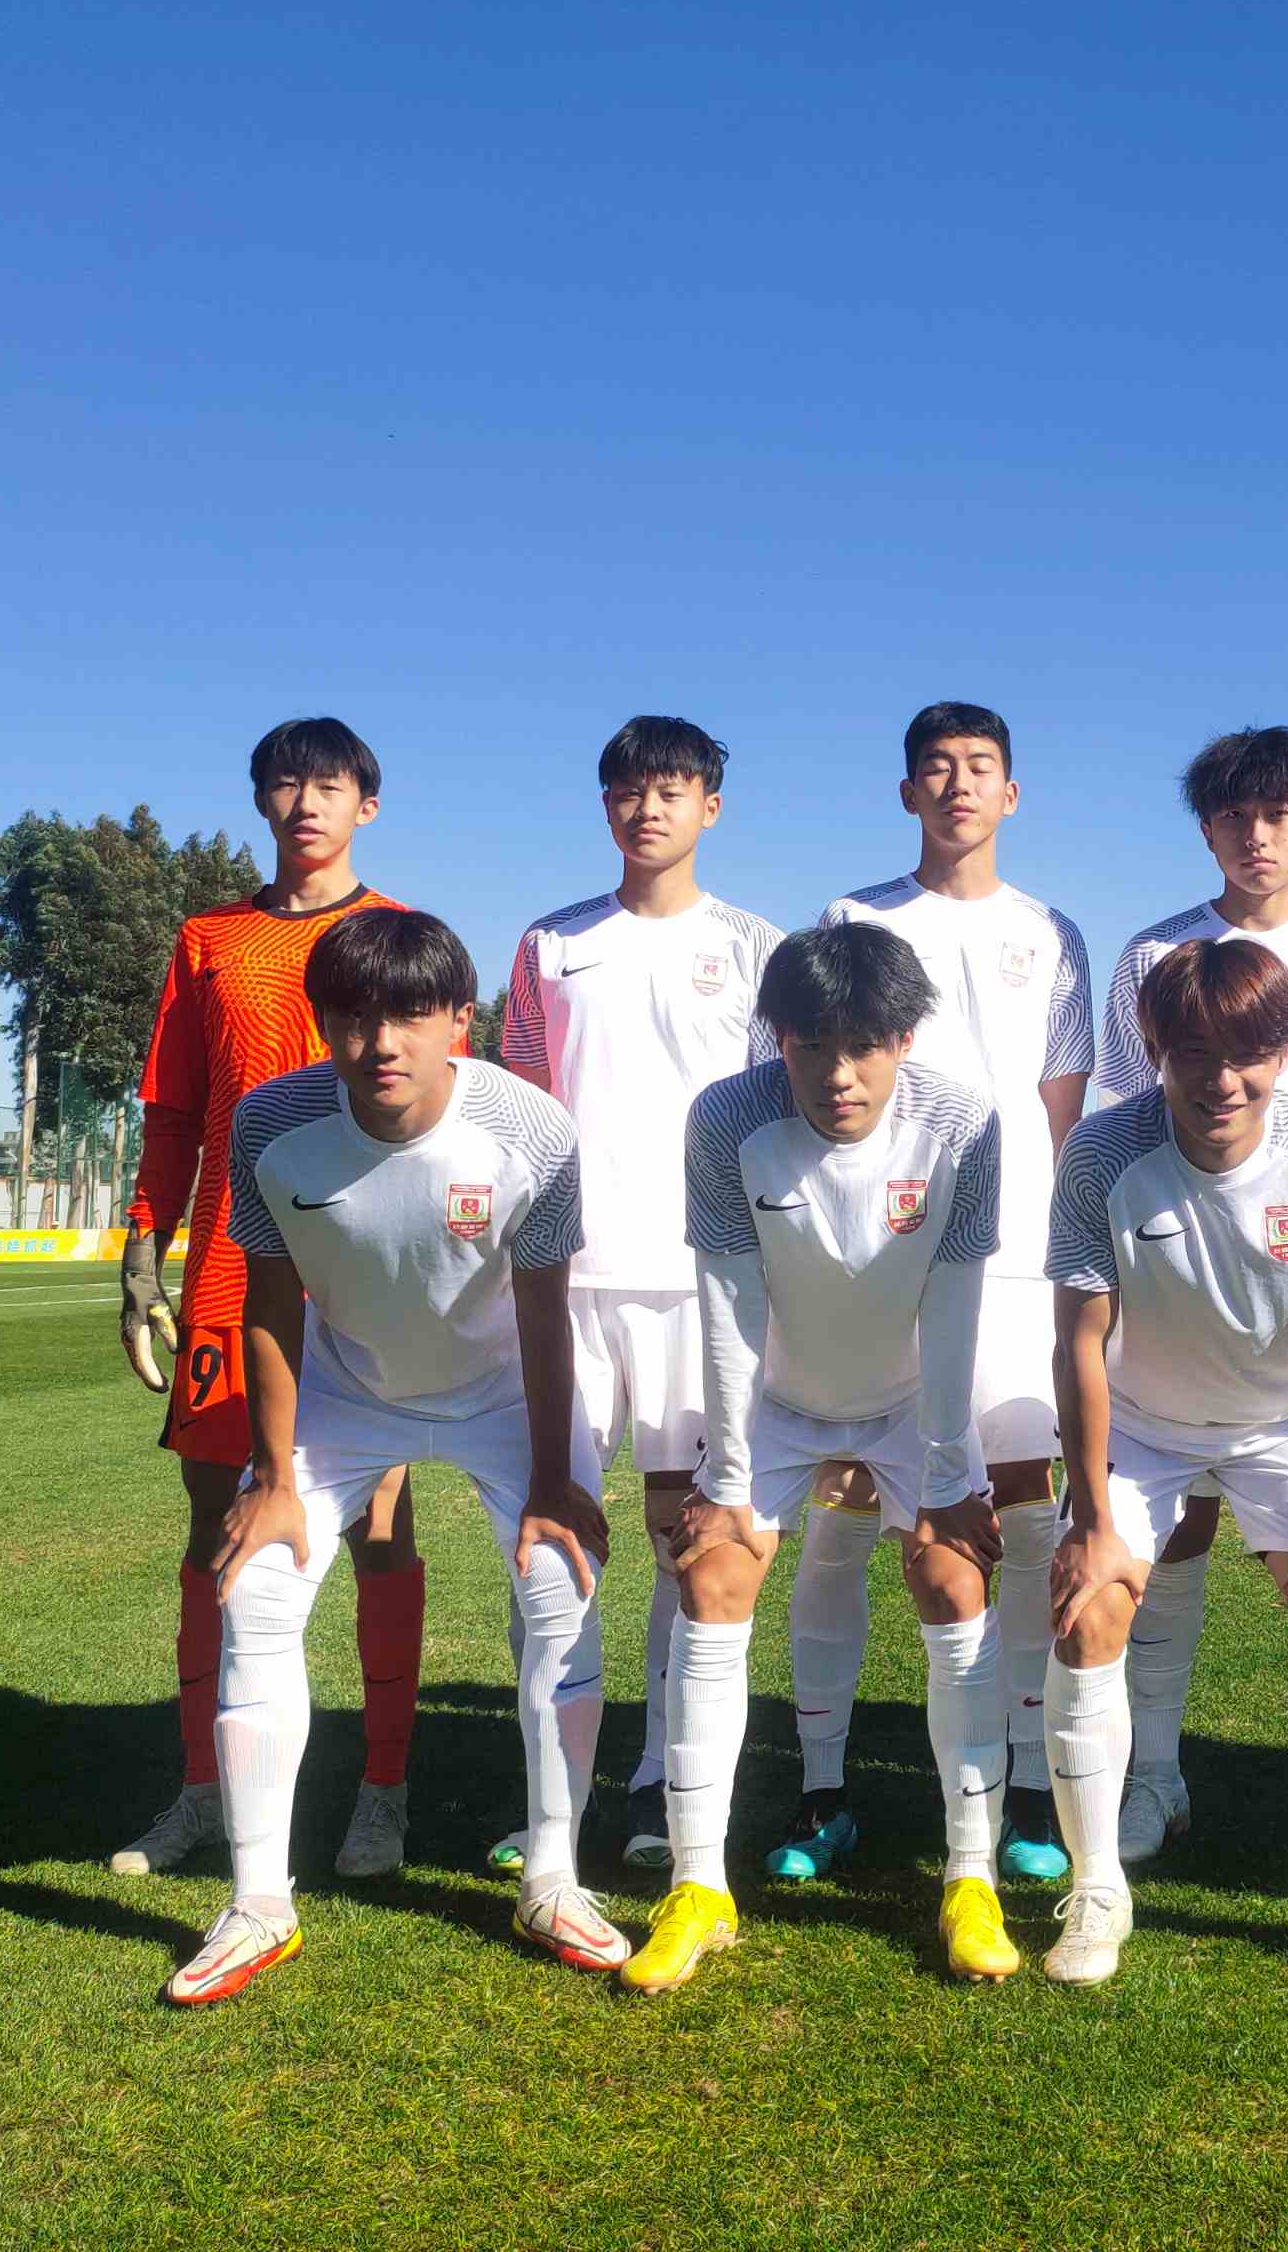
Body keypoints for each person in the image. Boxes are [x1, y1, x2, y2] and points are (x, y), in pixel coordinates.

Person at [161, 908, 617, 2006]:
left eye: (412, 1014)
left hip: (505, 1392)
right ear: (321, 1022)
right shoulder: (271, 1124)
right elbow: (271, 1299)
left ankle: (553, 1878)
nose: (382, 1043)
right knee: (256, 1587)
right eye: (355, 1017)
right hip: (346, 1395)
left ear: (462, 1019)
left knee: (559, 1586)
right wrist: (275, 1478)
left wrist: (551, 1483)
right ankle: (258, 1904)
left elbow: (546, 1314)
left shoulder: (533, 1130)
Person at [627, 924, 1017, 1992]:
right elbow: (726, 1300)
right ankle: (698, 1887)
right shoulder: (726, 1117)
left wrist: (948, 1474)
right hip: (777, 1403)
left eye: (864, 1047)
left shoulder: (964, 1123)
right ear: (778, 1039)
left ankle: (971, 1879)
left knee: (952, 1577)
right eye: (810, 1046)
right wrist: (727, 1478)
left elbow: (955, 1303)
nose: (838, 1075)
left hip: (909, 1401)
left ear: (904, 1040)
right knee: (712, 1575)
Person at [1038, 939, 1288, 1988]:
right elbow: (1078, 1341)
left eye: (1247, 1053)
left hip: (1277, 1424)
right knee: (1089, 1611)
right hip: (1143, 1423)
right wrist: (1089, 1523)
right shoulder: (1102, 1153)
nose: (1221, 1080)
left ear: (1283, 1052)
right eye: (1192, 1053)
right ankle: (1097, 1891)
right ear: (1153, 1048)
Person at [778, 702, 1092, 1886]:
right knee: (846, 1507)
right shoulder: (851, 919)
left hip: (1005, 1265)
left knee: (1017, 1512)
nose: (957, 784)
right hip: (869, 1257)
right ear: (906, 792)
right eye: (935, 768)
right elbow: (807, 1085)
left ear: (1011, 793)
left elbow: (1058, 1109)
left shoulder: (1049, 931)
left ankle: (1023, 1788)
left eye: (979, 767)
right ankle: (822, 1793)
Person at [112, 717, 429, 1884]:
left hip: (361, 1262)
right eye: (286, 783)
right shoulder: (208, 939)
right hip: (230, 1269)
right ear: (259, 801)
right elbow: (173, 1113)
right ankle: (203, 1788)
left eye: (329, 785)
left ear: (366, 806)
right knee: (217, 1526)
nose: (306, 802)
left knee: (380, 1526)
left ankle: (384, 1791)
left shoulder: (396, 934)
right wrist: (142, 1245)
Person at [1090, 726, 1288, 1871]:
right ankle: (1154, 1779)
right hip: (1173, 1286)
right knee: (1166, 1542)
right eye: (1232, 816)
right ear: (1206, 829)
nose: (1255, 835)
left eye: (1277, 814)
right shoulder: (1150, 954)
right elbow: (1121, 1111)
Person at [491, 716, 781, 1878]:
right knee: (550, 1537)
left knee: (682, 1535)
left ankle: (662, 1777)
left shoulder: (756, 947)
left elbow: (778, 1114)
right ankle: (550, 1799)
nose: (646, 809)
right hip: (566, 1279)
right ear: (604, 804)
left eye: (670, 790)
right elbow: (517, 1104)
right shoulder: (549, 943)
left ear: (711, 806)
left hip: (700, 1281)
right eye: (627, 790)